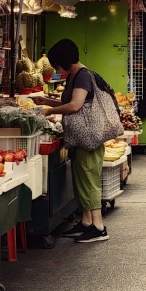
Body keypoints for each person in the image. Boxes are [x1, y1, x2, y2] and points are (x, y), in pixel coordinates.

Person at [37, 38, 111, 243]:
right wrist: (46, 101)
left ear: (63, 62)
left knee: (89, 180)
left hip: (88, 138)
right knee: (81, 179)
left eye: (57, 65)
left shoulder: (82, 77)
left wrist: (48, 110)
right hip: (80, 138)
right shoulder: (75, 76)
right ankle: (87, 222)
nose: (57, 69)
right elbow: (70, 102)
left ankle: (98, 227)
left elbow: (75, 105)